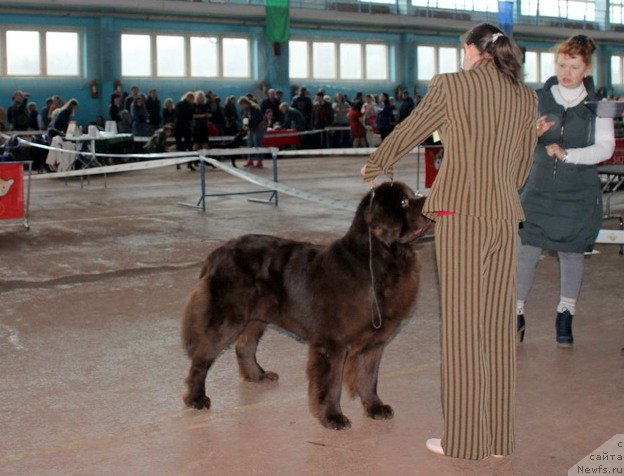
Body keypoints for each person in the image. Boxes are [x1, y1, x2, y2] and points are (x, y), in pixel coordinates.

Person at [361, 23, 537, 460]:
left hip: (462, 216)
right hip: (504, 218)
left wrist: (377, 162)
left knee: (462, 331)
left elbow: (413, 127)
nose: (462, 57)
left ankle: (463, 440)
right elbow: (519, 174)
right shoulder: (526, 97)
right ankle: (498, 440)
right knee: (497, 331)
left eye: (464, 50)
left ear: (475, 52)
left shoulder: (453, 86)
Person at [516, 35, 615, 347]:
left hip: (578, 191)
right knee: (526, 251)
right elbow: (514, 142)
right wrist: (530, 134)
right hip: (538, 189)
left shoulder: (601, 106)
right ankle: (516, 313)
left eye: (574, 66)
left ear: (586, 69)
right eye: (562, 64)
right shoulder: (534, 99)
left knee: (572, 253)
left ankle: (565, 313)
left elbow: (606, 148)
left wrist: (570, 155)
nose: (566, 71)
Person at [238, 96, 266, 168]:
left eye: (241, 105)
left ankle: (260, 162)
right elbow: (245, 118)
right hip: (252, 128)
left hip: (259, 128)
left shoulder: (254, 108)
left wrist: (249, 126)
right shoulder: (246, 110)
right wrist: (245, 125)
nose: (241, 107)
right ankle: (250, 161)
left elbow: (256, 120)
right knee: (250, 144)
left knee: (257, 144)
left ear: (245, 103)